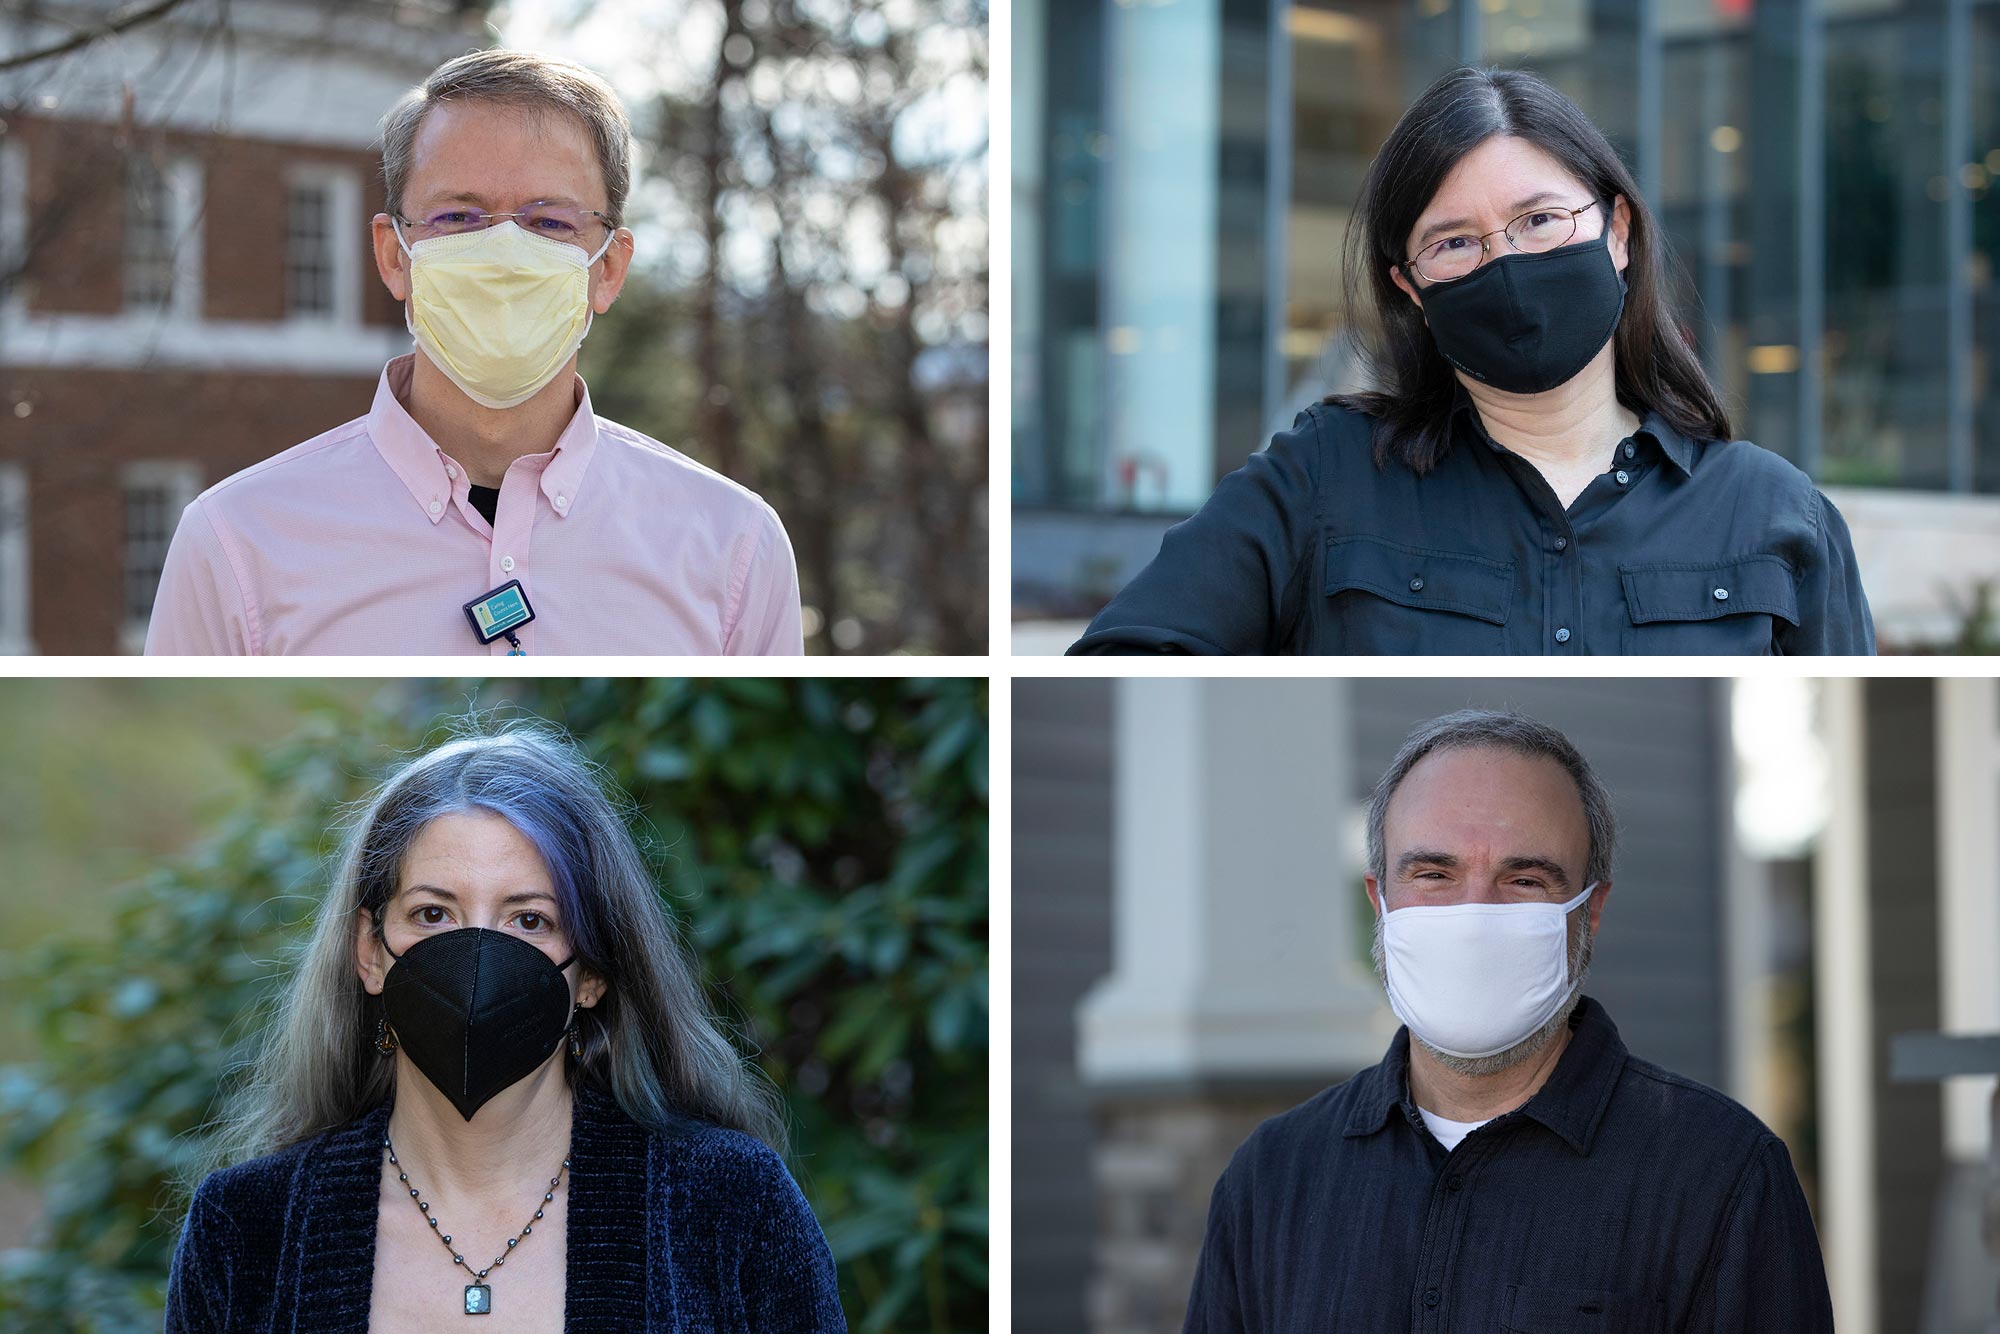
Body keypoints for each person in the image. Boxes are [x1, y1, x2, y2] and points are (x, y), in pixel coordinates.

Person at [1071, 66, 1873, 656]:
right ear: (1411, 288)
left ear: (1618, 232)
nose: (1508, 265)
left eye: (1539, 220)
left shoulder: (1776, 514)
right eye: (1455, 243)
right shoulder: (1325, 477)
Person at [165, 729, 844, 1331]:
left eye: (529, 921)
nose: (478, 958)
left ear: (592, 975)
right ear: (370, 952)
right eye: (433, 915)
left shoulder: (731, 1206)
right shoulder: (246, 1227)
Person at [1182, 710, 1835, 1332]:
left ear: (1592, 910)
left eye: (1524, 880)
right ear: (1380, 900)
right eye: (1434, 873)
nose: (1475, 915)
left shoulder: (1719, 1173)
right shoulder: (1273, 1179)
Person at [145, 50, 802, 655]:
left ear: (609, 268)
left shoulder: (733, 547)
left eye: (550, 223)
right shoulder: (236, 545)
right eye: (459, 218)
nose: (503, 254)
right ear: (392, 255)